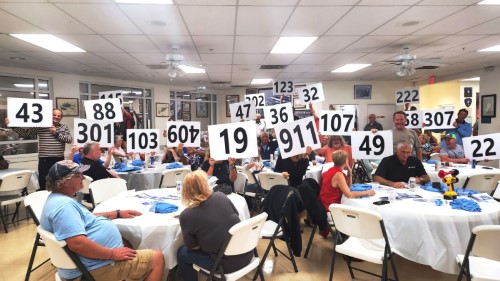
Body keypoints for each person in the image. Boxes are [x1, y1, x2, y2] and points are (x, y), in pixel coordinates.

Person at [40, 160, 164, 281]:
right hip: (94, 269)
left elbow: (87, 217)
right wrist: (112, 254)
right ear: (64, 182)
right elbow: (77, 243)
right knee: (157, 258)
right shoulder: (64, 208)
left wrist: (117, 213)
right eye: (78, 176)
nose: (83, 178)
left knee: (128, 242)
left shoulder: (58, 199)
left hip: (91, 263)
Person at [177, 170, 251, 281]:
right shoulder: (220, 196)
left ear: (185, 191)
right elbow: (236, 216)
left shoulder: (186, 216)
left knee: (182, 252)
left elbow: (192, 247)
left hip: (226, 264)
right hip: (247, 252)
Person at [6, 109, 73, 190]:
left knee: (58, 181)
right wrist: (13, 125)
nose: (56, 117)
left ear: (61, 118)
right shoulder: (41, 126)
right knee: (44, 181)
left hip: (59, 159)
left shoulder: (64, 127)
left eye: (59, 116)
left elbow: (69, 140)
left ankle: (56, 198)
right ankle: (44, 199)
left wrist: (56, 133)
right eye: (54, 115)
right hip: (44, 159)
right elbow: (26, 133)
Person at [319, 150, 375, 237]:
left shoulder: (332, 170)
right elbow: (350, 194)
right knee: (360, 212)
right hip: (331, 209)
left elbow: (349, 187)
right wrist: (368, 192)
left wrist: (349, 173)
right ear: (346, 161)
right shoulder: (338, 174)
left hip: (326, 205)